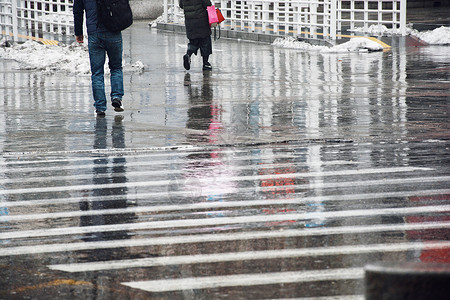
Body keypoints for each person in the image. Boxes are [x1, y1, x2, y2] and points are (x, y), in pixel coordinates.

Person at [73, 0, 125, 116]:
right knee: (116, 67)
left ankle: (100, 107)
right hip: (113, 31)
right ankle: (117, 97)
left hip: (94, 33)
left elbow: (77, 12)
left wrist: (78, 32)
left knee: (97, 73)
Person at [179, 0, 213, 71]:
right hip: (201, 19)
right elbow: (207, 4)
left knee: (193, 41)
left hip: (189, 21)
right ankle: (205, 63)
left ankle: (188, 55)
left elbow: (181, 5)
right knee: (205, 41)